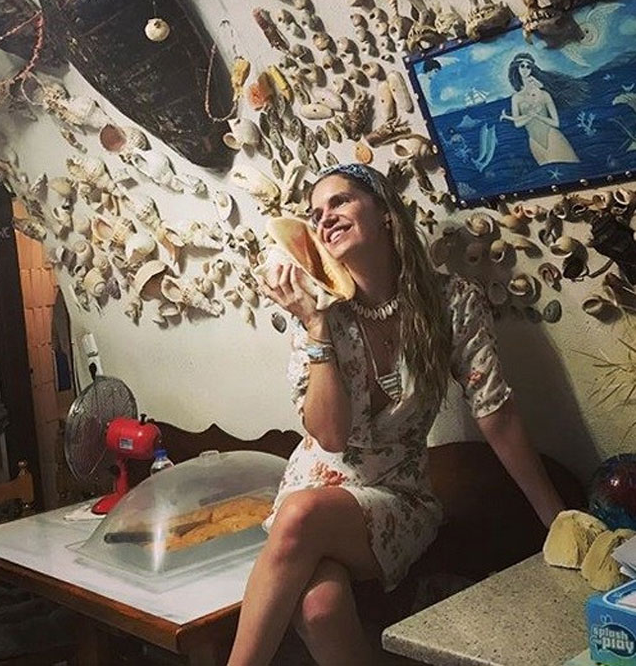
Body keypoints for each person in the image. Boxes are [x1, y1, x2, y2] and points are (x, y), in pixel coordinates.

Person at [228, 163, 566, 666]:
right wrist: (317, 325)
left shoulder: (451, 301)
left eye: (340, 201)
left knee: (300, 516)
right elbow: (330, 436)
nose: (325, 218)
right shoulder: (320, 312)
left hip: (396, 495)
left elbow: (495, 411)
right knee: (320, 608)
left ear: (385, 212)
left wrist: (555, 517)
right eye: (316, 214)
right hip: (314, 488)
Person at [500, 52, 587, 166]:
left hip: (552, 137)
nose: (525, 69)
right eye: (522, 66)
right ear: (517, 68)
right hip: (535, 143)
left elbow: (555, 123)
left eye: (528, 66)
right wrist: (531, 116)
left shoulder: (544, 95)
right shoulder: (516, 98)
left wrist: (537, 116)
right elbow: (517, 124)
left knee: (570, 168)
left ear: (532, 69)